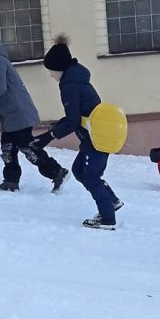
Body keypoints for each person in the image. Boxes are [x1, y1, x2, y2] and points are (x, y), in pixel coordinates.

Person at [27, 36, 122, 229]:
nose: (50, 75)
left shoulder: (70, 85)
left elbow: (72, 121)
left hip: (97, 137)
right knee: (79, 170)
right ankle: (111, 201)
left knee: (91, 176)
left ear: (59, 68)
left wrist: (48, 137)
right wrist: (56, 127)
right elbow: (76, 116)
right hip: (93, 135)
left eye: (51, 70)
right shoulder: (75, 78)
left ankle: (107, 219)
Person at [0, 17, 67, 194]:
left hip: (18, 113)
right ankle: (10, 182)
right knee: (8, 148)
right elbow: (2, 90)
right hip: (10, 114)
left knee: (28, 148)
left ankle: (57, 172)